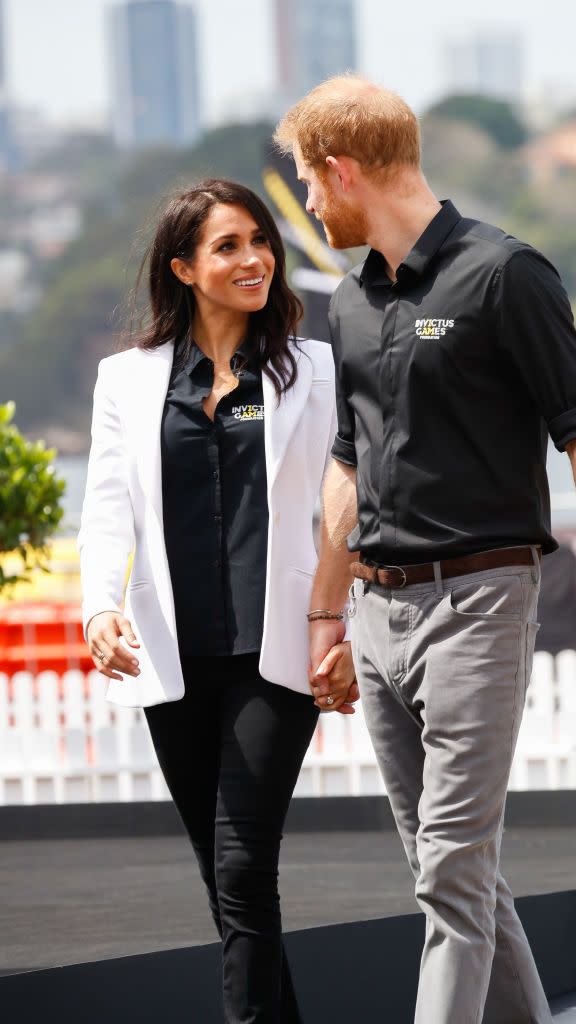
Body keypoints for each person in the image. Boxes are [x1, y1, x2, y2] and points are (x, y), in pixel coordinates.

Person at [274, 77, 576, 1024]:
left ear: (341, 169)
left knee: (449, 868)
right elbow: (345, 464)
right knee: (456, 875)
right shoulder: (351, 303)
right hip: (375, 612)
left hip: (482, 601)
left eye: (308, 185)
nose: (310, 207)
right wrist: (326, 614)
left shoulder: (505, 273)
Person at [78, 178, 357, 1024]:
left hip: (276, 653)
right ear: (184, 268)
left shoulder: (313, 367)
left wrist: (337, 618)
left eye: (260, 241)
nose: (254, 259)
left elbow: (343, 497)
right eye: (228, 246)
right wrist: (98, 606)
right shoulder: (124, 380)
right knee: (228, 881)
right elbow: (105, 506)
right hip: (173, 655)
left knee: (241, 866)